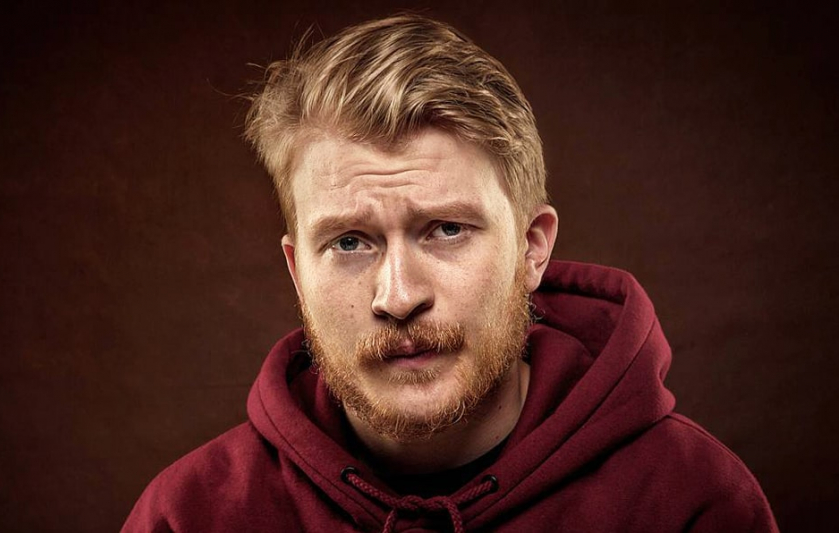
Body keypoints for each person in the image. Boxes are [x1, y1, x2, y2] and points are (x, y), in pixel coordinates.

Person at [123, 14, 777, 532]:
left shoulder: (690, 501)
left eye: (446, 229)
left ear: (532, 249)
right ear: (297, 272)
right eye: (349, 242)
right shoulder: (188, 517)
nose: (398, 296)